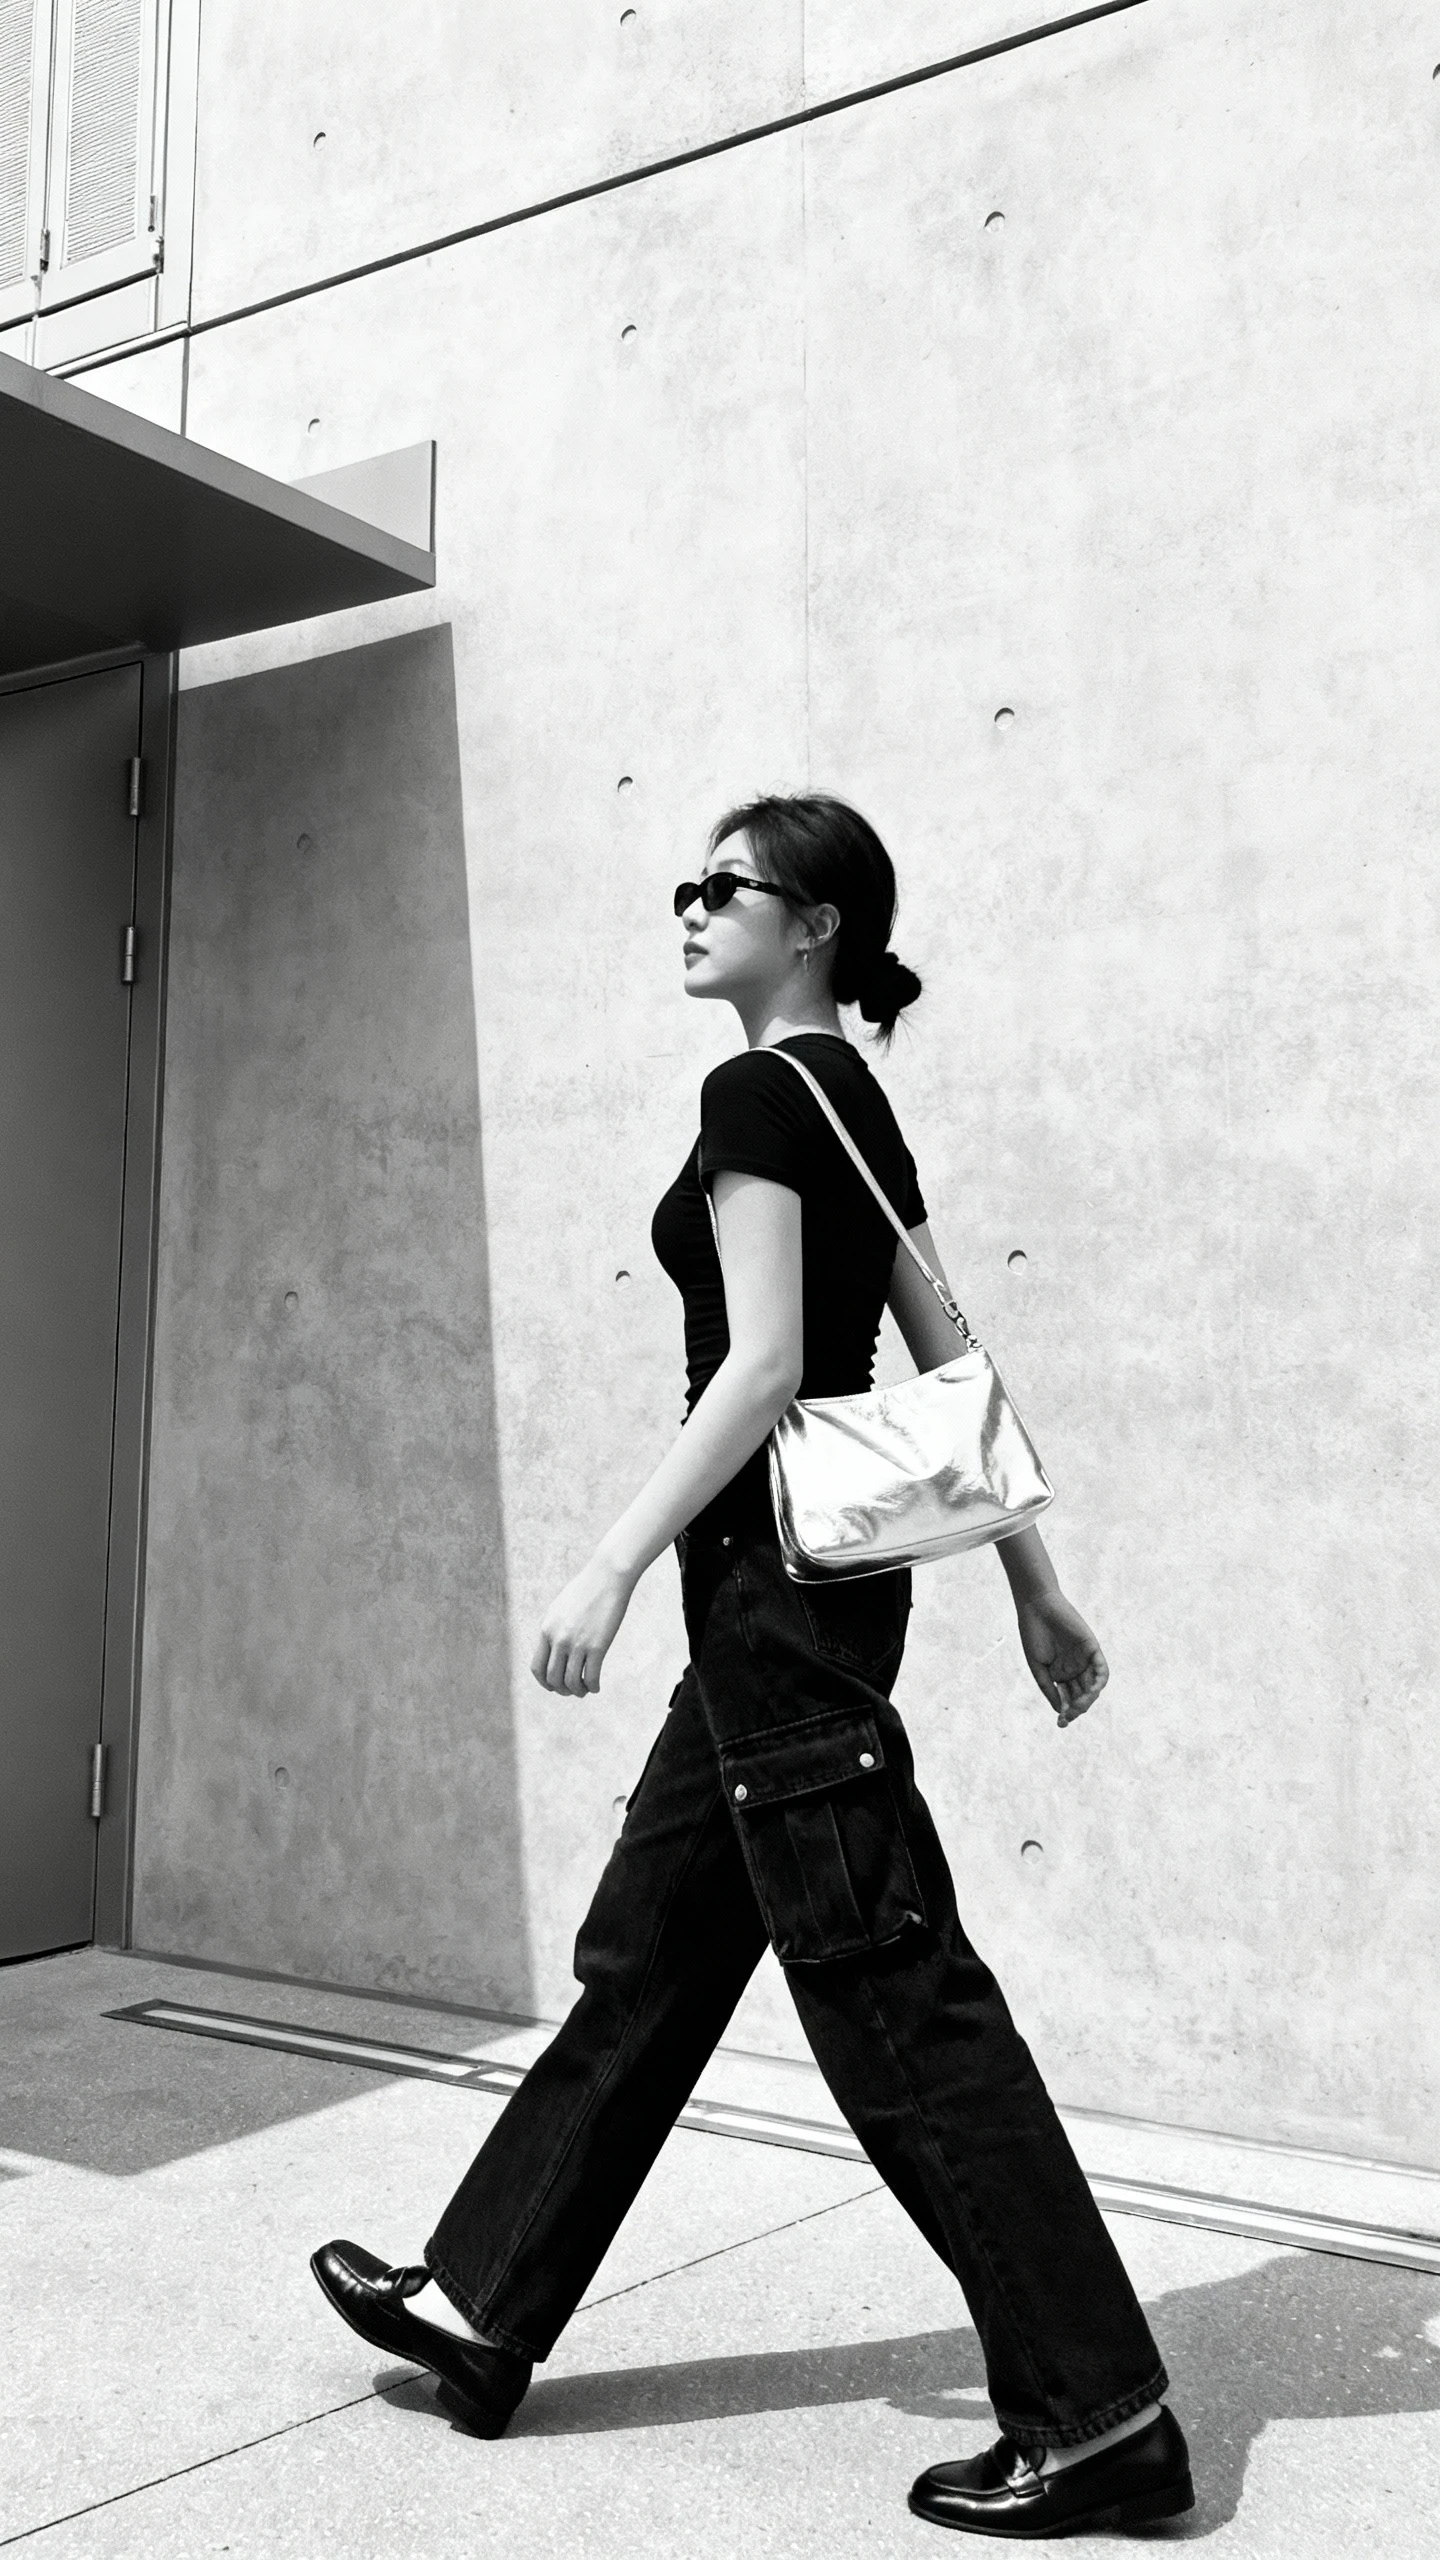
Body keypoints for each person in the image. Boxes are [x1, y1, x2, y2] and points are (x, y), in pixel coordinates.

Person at [312, 793, 1193, 2536]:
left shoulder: (754, 1095)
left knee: (891, 1993)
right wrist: (1034, 1585)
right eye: (686, 882)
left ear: (820, 928)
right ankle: (485, 2308)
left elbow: (774, 1361)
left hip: (769, 1602)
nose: (691, 907)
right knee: (652, 1952)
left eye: (726, 886)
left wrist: (613, 1557)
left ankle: (1101, 2417)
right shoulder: (849, 1100)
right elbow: (953, 1351)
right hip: (808, 1607)